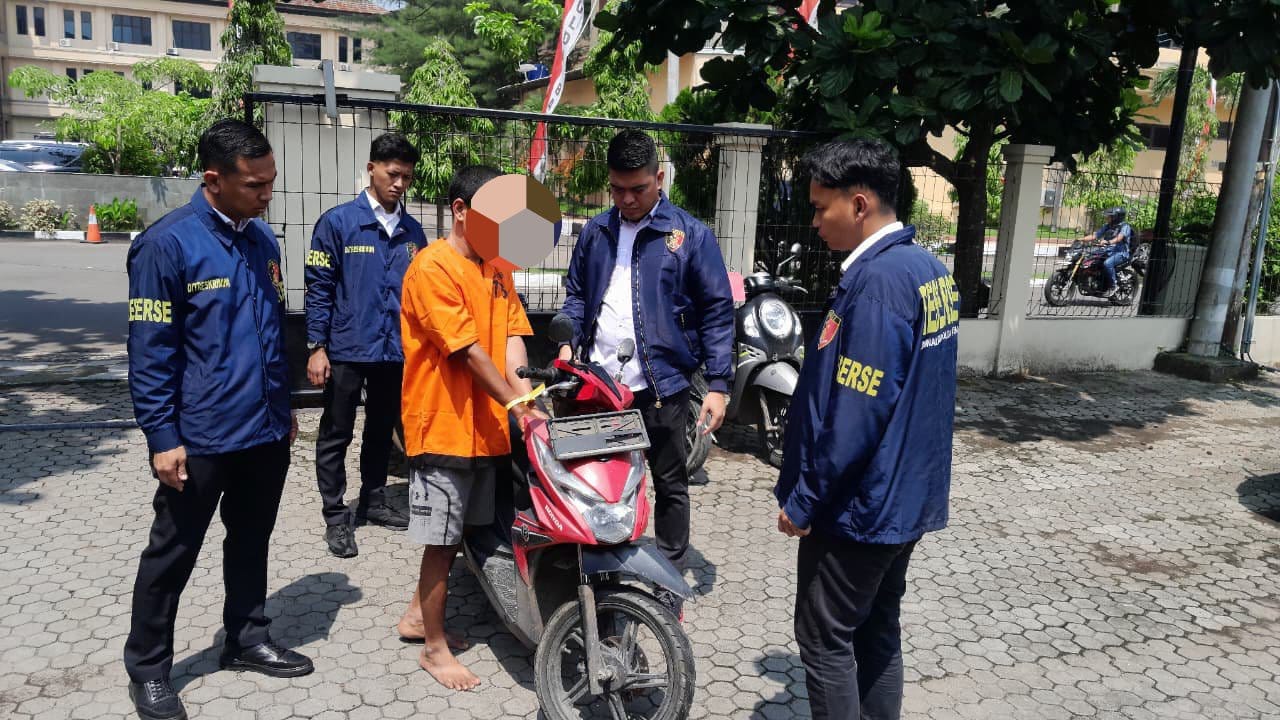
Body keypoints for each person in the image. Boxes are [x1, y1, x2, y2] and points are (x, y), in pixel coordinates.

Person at [124, 119, 312, 720]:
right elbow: (150, 352)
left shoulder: (262, 241)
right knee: (172, 552)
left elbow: (273, 333)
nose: (267, 195)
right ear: (213, 180)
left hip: (263, 430)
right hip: (199, 437)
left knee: (251, 539)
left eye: (271, 182)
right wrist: (162, 437)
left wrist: (283, 408)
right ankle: (149, 670)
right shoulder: (166, 245)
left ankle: (247, 637)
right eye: (255, 185)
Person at [774, 139, 957, 720]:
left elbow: (857, 414)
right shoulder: (927, 269)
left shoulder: (879, 285)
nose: (814, 221)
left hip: (861, 506)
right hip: (904, 497)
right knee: (876, 625)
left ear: (858, 205)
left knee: (823, 635)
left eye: (819, 207)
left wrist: (804, 500)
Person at [558, 129, 734, 615]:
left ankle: (669, 580)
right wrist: (569, 337)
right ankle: (601, 578)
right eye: (617, 190)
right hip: (600, 387)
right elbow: (576, 294)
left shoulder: (689, 235)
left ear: (659, 178)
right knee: (598, 483)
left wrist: (719, 385)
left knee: (669, 482)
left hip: (662, 386)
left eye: (638, 189)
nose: (628, 199)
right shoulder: (596, 232)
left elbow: (717, 310)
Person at [394, 165, 548, 691]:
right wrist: (517, 405)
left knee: (458, 532)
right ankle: (434, 650)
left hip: (487, 428)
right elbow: (467, 351)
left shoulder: (498, 268)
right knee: (441, 541)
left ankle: (417, 618)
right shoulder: (431, 266)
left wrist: (526, 398)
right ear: (461, 211)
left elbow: (511, 339)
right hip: (443, 427)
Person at [305, 132, 427, 558]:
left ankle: (374, 501)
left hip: (394, 352)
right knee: (336, 433)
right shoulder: (338, 223)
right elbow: (318, 288)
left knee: (380, 430)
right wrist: (316, 346)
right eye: (393, 174)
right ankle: (336, 516)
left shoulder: (413, 232)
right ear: (372, 168)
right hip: (346, 348)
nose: (399, 184)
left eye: (407, 177)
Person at [1093, 206, 1134, 297]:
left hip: (1121, 253)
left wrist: (1108, 242)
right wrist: (1081, 239)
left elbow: (1119, 238)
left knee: (1107, 263)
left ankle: (1113, 286)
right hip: (1109, 251)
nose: (1107, 218)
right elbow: (1095, 235)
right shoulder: (1107, 226)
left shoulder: (1125, 226)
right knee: (1092, 259)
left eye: (1110, 216)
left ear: (1116, 217)